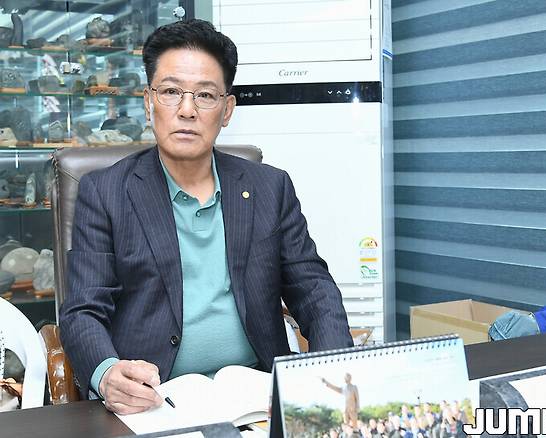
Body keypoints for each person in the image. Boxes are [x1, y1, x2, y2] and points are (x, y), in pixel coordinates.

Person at [58, 19, 353, 414]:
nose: (187, 110)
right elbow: (82, 311)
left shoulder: (270, 187)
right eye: (170, 92)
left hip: (257, 391)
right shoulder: (105, 192)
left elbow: (314, 288)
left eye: (205, 95)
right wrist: (108, 373)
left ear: (227, 110)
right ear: (148, 102)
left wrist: (333, 368)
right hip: (153, 399)